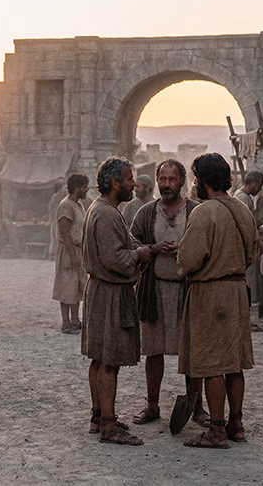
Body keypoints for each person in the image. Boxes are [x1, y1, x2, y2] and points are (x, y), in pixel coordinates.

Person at [177, 152, 259, 449]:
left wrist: (187, 268)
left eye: (196, 178)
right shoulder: (243, 209)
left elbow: (188, 258)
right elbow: (252, 252)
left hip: (210, 294)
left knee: (212, 363)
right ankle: (236, 424)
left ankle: (216, 430)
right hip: (236, 291)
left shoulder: (204, 212)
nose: (194, 184)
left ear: (204, 180)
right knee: (233, 363)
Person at [129, 159, 209, 427]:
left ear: (182, 181)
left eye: (172, 179)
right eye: (162, 179)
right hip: (154, 291)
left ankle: (197, 406)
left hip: (188, 292)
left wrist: (184, 251)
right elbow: (132, 243)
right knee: (153, 350)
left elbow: (207, 246)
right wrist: (152, 249)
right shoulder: (146, 213)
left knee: (192, 352)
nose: (166, 184)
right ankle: (152, 405)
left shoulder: (196, 212)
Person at [82, 156, 153, 446]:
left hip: (101, 291)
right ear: (114, 183)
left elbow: (120, 245)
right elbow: (115, 258)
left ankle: (99, 416)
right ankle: (109, 426)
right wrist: (140, 255)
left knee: (100, 358)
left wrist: (145, 249)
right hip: (110, 294)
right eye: (129, 179)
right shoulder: (108, 214)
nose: (133, 184)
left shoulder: (102, 209)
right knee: (109, 360)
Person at [52, 173, 89, 334]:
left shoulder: (78, 205)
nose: (87, 189)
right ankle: (66, 323)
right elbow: (65, 233)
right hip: (68, 250)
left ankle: (75, 319)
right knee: (66, 286)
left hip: (77, 249)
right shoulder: (65, 206)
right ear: (77, 188)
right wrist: (73, 255)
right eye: (84, 187)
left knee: (76, 286)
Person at [235, 171, 263, 306]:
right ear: (252, 183)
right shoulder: (242, 198)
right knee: (250, 277)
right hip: (245, 245)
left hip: (246, 244)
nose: (260, 189)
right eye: (259, 185)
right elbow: (245, 224)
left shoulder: (244, 197)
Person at [48, 184, 67, 260]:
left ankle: (52, 255)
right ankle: (55, 255)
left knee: (54, 238)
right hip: (56, 220)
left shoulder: (55, 197)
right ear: (59, 189)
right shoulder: (57, 196)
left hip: (54, 220)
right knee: (58, 238)